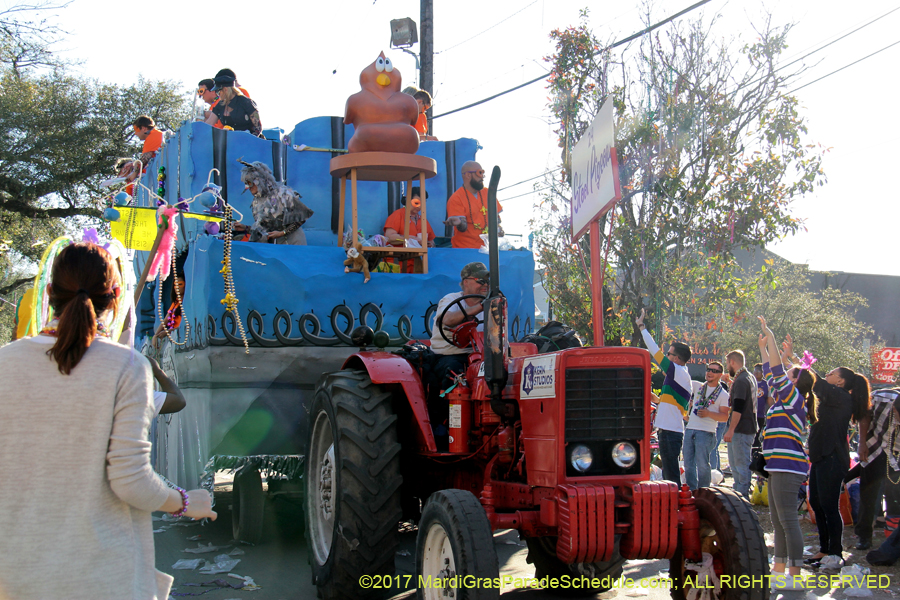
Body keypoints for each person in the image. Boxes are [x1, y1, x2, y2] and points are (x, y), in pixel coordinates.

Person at [0, 242, 215, 599]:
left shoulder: (5, 363)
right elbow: (130, 480)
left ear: (49, 292)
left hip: (15, 574)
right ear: (115, 297)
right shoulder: (127, 367)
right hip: (101, 575)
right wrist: (185, 501)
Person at [783, 335, 871, 569]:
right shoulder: (832, 396)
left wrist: (794, 357)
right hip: (821, 457)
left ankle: (835, 552)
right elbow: (813, 383)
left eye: (832, 373)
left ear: (840, 381)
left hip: (833, 458)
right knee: (816, 502)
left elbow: (815, 380)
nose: (828, 374)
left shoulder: (841, 397)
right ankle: (824, 549)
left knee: (829, 505)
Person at [757, 317, 811, 590]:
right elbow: (772, 373)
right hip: (777, 465)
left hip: (789, 467)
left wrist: (771, 336)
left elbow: (776, 372)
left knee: (788, 519)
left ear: (796, 382)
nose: (783, 376)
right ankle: (779, 569)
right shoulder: (782, 401)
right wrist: (763, 348)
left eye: (790, 374)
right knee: (777, 521)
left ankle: (795, 575)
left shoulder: (794, 400)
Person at [636, 308, 691, 485]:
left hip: (671, 432)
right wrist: (658, 401)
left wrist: (642, 327)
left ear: (676, 358)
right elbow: (673, 404)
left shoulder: (678, 371)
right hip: (667, 430)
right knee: (668, 472)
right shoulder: (678, 375)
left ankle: (674, 499)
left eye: (669, 354)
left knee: (671, 475)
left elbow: (654, 351)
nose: (666, 356)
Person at [848, 386, 900, 549]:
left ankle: (892, 538)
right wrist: (862, 443)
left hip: (896, 453)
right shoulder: (882, 398)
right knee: (869, 495)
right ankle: (864, 536)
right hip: (873, 448)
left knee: (895, 496)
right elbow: (864, 415)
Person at [240, 161, 313, 244]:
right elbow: (264, 229)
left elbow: (301, 218)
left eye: (249, 183)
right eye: (246, 183)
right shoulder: (257, 202)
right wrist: (245, 228)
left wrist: (282, 233)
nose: (247, 187)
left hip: (292, 243)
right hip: (276, 245)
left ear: (259, 181)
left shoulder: (283, 194)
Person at [684, 361, 730, 490]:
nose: (710, 372)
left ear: (720, 374)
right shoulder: (698, 386)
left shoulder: (723, 394)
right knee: (688, 464)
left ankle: (704, 491)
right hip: (690, 429)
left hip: (706, 432)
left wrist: (709, 413)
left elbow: (724, 416)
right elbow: (681, 380)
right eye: (708, 369)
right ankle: (692, 491)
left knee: (703, 464)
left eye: (714, 371)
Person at [723, 349, 757, 497]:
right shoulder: (748, 377)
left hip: (741, 429)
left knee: (740, 465)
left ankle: (742, 497)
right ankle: (738, 495)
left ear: (732, 362)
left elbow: (738, 407)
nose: (727, 367)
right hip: (746, 427)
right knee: (737, 465)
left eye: (727, 364)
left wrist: (731, 429)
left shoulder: (741, 381)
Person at [445, 161, 502, 248]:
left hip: (488, 250)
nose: (482, 176)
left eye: (483, 173)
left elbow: (497, 219)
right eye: (479, 173)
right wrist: (459, 223)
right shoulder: (456, 198)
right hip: (465, 250)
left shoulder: (488, 193)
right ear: (468, 175)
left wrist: (498, 229)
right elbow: (463, 227)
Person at [383, 186, 435, 272]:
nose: (419, 206)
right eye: (416, 203)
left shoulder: (423, 220)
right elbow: (390, 237)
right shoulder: (398, 215)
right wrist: (412, 239)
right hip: (397, 265)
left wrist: (430, 244)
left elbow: (432, 241)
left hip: (417, 267)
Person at [753, 363, 771, 447]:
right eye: (755, 370)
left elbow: (769, 401)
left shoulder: (766, 385)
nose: (756, 372)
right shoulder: (750, 382)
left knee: (758, 436)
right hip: (750, 414)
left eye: (759, 370)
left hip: (760, 415)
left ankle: (756, 450)